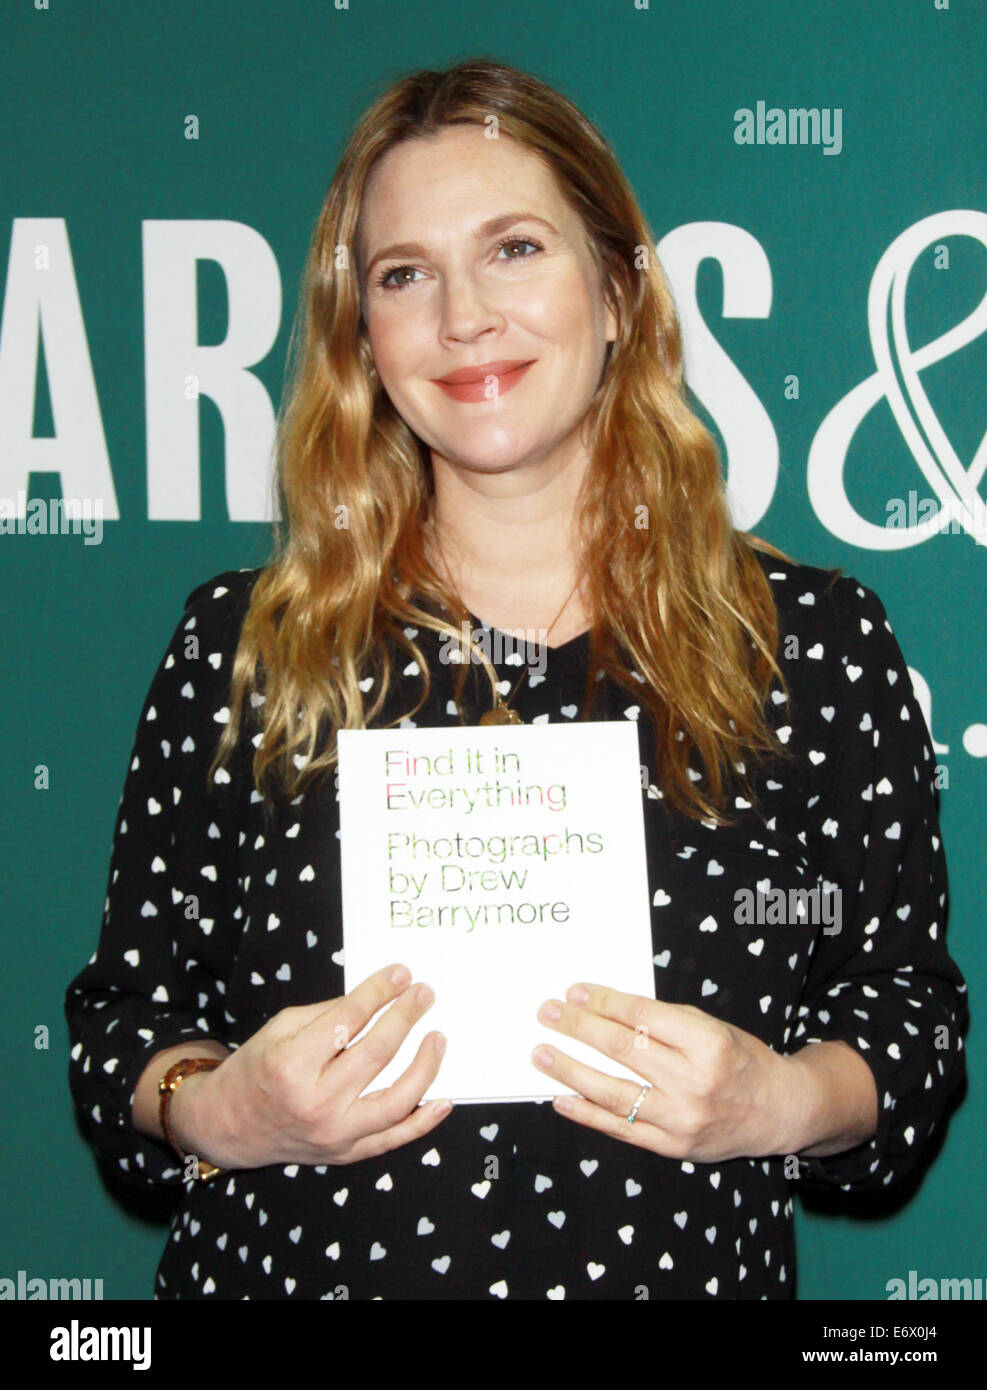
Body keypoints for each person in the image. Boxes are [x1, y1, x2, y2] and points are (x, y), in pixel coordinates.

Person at [65, 57, 968, 1301]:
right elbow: (124, 1024)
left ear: (616, 290)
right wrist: (214, 1111)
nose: (462, 318)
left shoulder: (808, 648)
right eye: (404, 274)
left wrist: (778, 1097)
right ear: (361, 337)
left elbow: (906, 1025)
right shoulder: (245, 648)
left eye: (515, 249)